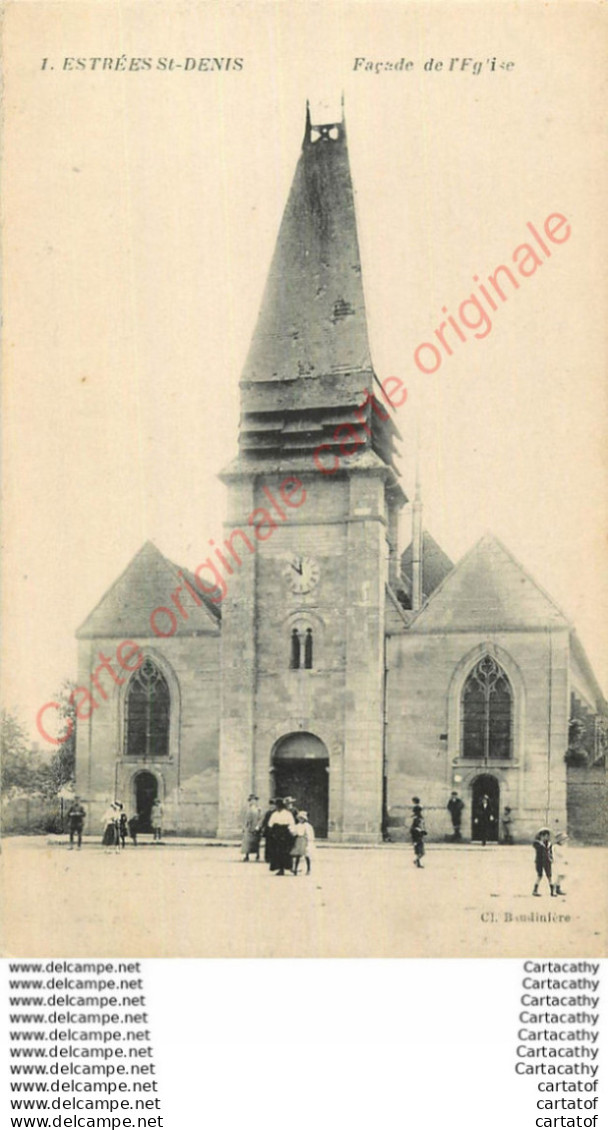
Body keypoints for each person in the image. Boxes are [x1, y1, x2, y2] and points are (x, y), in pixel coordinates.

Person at [266, 798, 296, 875]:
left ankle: (287, 867)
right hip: (277, 834)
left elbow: (291, 824)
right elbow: (270, 824)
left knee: (285, 852)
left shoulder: (287, 814)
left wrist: (292, 833)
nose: (276, 807)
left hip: (285, 834)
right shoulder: (274, 814)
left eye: (277, 806)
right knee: (277, 852)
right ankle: (280, 868)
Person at [291, 810, 315, 875]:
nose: (300, 820)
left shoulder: (307, 826)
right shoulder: (297, 825)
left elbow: (310, 834)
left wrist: (309, 841)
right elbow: (294, 832)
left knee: (306, 855)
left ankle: (308, 869)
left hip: (305, 840)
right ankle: (295, 869)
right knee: (298, 855)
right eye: (299, 818)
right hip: (299, 840)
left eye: (302, 818)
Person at [532, 828, 555, 896]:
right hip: (539, 861)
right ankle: (535, 890)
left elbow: (550, 852)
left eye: (547, 836)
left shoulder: (548, 844)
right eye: (545, 836)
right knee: (539, 875)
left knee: (549, 876)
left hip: (547, 861)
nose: (547, 837)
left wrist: (551, 858)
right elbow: (537, 848)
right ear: (541, 836)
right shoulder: (537, 843)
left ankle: (552, 891)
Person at [241, 794, 262, 861]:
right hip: (248, 827)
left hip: (255, 827)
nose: (252, 802)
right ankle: (247, 855)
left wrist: (258, 826)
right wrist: (244, 827)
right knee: (247, 842)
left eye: (254, 800)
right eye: (251, 800)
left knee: (256, 841)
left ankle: (257, 855)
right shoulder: (248, 809)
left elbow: (260, 819)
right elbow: (245, 819)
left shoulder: (258, 809)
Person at [553, 831, 569, 895]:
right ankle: (554, 888)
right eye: (563, 840)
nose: (565, 842)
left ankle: (558, 888)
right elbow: (559, 854)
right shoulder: (556, 847)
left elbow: (564, 855)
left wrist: (566, 860)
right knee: (559, 876)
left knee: (563, 875)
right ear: (560, 840)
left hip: (561, 863)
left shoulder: (563, 847)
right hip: (557, 863)